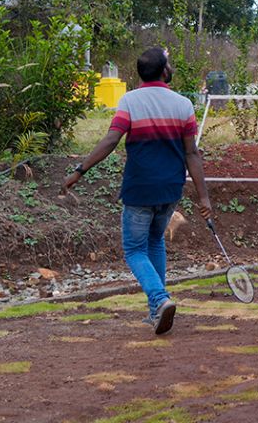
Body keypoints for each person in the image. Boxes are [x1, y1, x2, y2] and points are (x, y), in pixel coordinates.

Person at [62, 47, 213, 335]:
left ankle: (159, 299)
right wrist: (203, 197)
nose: (171, 67)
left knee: (133, 249)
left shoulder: (129, 101)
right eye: (169, 63)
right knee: (155, 241)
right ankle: (156, 309)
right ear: (163, 71)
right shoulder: (183, 105)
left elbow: (111, 140)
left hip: (139, 187)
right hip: (170, 188)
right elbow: (192, 154)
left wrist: (79, 171)